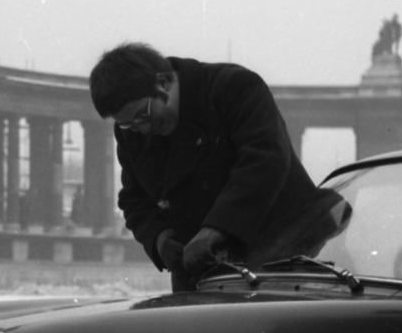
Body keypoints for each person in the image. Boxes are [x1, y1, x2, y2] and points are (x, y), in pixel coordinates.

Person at [89, 43, 346, 291]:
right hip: (202, 274)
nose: (142, 128)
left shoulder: (233, 87)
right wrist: (161, 240)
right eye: (129, 125)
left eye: (143, 115)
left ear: (163, 82)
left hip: (290, 254)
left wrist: (215, 230)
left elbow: (266, 160)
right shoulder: (129, 132)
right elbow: (134, 200)